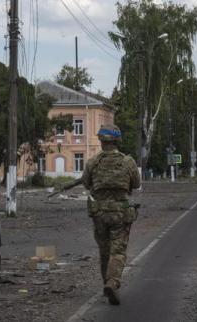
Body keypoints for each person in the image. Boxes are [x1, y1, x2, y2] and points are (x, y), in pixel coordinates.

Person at [81, 124, 140, 305]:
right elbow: (136, 184)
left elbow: (85, 183)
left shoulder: (92, 162)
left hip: (99, 214)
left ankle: (106, 283)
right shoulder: (127, 161)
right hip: (120, 214)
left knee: (104, 251)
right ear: (117, 140)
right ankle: (112, 282)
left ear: (101, 141)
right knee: (118, 251)